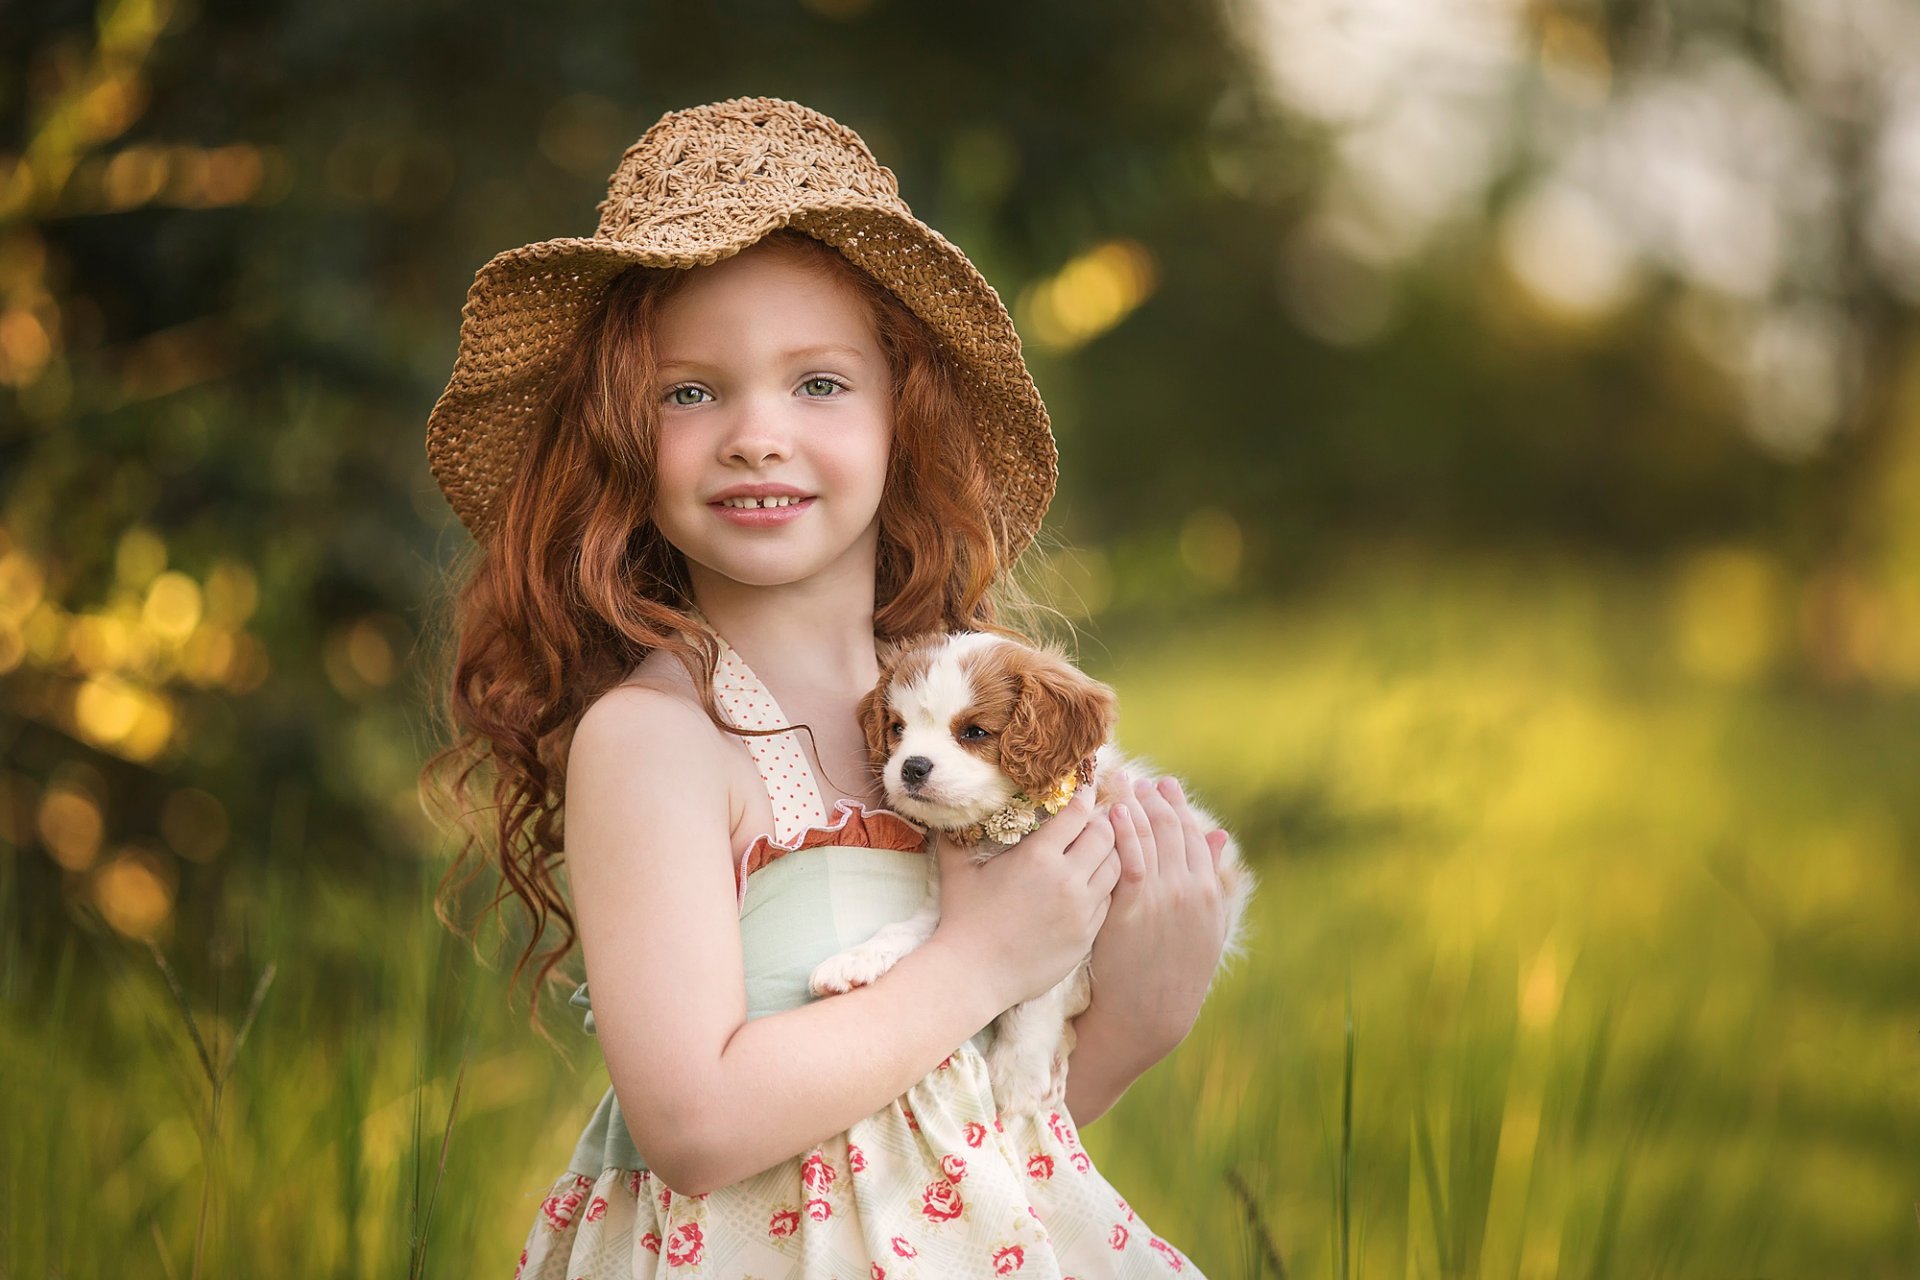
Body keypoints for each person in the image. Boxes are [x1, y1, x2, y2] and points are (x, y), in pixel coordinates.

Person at [420, 96, 1235, 1278]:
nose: (755, 433)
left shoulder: (969, 723)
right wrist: (986, 957)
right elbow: (693, 1123)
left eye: (818, 383)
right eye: (688, 392)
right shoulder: (656, 739)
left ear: (905, 416)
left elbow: (971, 1140)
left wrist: (1141, 1019)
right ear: (620, 438)